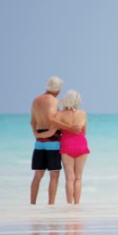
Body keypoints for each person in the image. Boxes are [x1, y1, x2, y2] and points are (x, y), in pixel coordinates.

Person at [30, 76, 79, 205]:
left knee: (38, 175)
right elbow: (51, 119)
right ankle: (50, 205)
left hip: (39, 141)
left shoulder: (36, 100)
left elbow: (32, 122)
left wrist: (36, 134)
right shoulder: (53, 100)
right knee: (54, 175)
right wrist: (70, 127)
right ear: (58, 90)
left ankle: (32, 205)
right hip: (52, 140)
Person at [38, 90, 90, 205]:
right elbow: (84, 132)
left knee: (69, 178)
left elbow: (52, 132)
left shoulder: (59, 115)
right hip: (81, 144)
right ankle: (77, 205)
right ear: (77, 101)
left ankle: (69, 205)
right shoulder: (83, 113)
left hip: (67, 146)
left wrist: (39, 135)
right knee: (78, 178)